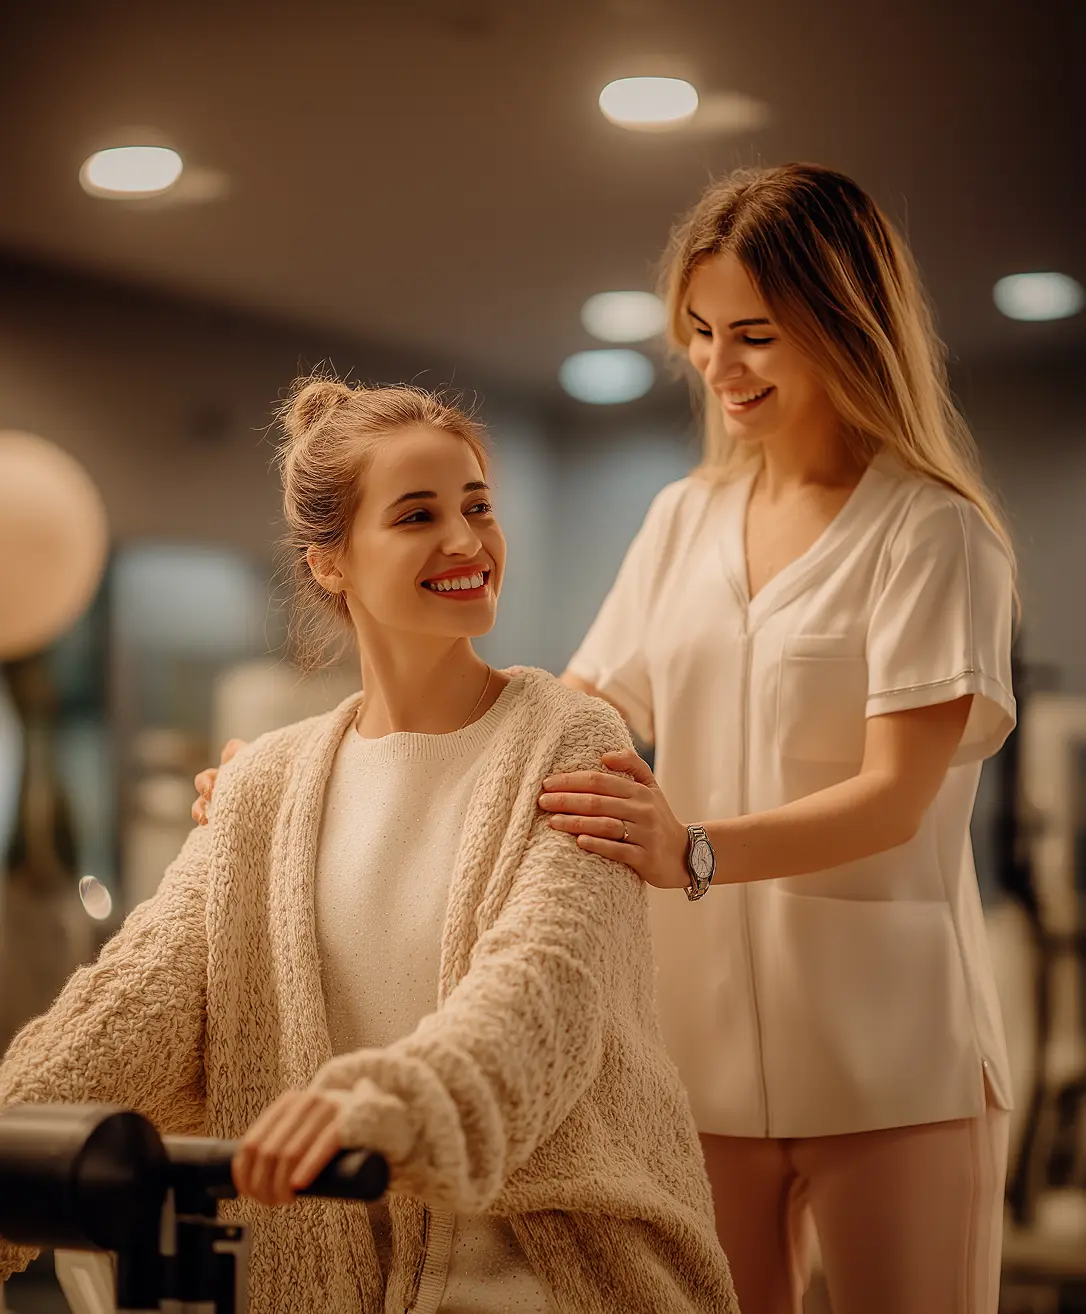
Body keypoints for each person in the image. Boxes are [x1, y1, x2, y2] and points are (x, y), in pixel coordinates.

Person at [192, 164, 1017, 1314]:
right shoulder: (685, 519)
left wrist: (696, 850)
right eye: (700, 332)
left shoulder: (935, 534)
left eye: (754, 335)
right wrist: (292, 779)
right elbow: (557, 714)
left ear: (844, 324)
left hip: (893, 1059)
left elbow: (895, 797)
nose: (717, 367)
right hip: (699, 1068)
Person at [0, 379, 737, 1314]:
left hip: (558, 1281)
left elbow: (547, 993)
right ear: (330, 564)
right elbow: (130, 1011)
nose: (467, 542)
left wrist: (381, 1108)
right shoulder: (263, 785)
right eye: (418, 515)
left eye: (478, 506)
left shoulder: (570, 736)